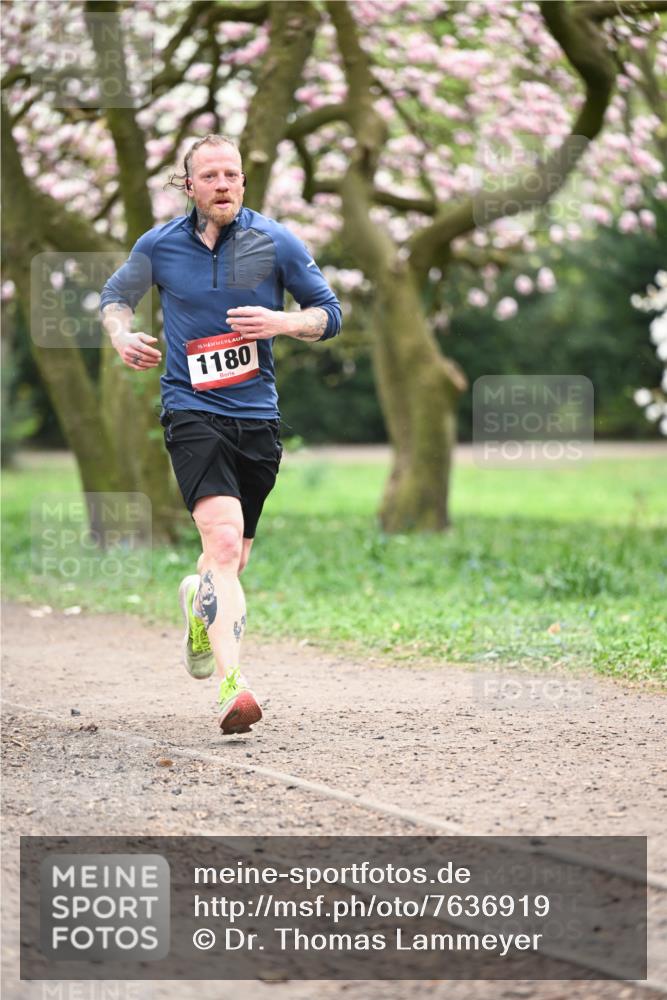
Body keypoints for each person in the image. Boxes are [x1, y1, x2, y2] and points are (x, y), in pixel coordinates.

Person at [99, 134, 342, 734]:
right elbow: (116, 297)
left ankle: (197, 604)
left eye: (231, 174)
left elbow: (330, 313)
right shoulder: (159, 245)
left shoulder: (275, 240)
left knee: (229, 562)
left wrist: (281, 322)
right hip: (191, 411)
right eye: (210, 175)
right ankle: (234, 687)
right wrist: (121, 336)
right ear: (190, 185)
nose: (223, 184)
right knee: (225, 544)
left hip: (256, 418)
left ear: (243, 181)